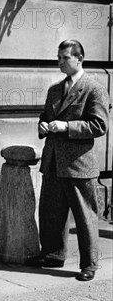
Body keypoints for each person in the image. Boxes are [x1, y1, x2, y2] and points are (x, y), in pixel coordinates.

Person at [33, 39, 110, 281]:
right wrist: (43, 125)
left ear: (79, 58)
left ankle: (89, 264)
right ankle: (53, 255)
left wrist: (66, 126)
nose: (60, 62)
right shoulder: (55, 89)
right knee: (50, 212)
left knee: (85, 216)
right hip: (54, 161)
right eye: (58, 58)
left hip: (78, 163)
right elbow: (45, 115)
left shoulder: (94, 88)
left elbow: (99, 125)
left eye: (65, 58)